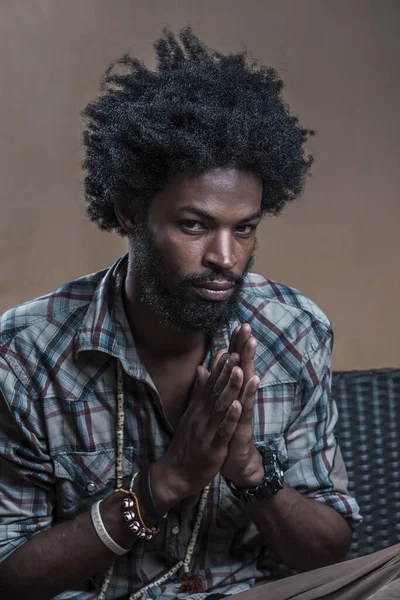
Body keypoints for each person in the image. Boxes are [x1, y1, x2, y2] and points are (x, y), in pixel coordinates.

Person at [0, 28, 398, 600]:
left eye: (245, 228)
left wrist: (252, 473)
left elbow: (327, 550)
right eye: (195, 225)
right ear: (131, 212)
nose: (225, 257)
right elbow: (10, 574)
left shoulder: (293, 328)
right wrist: (163, 485)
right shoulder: (27, 350)